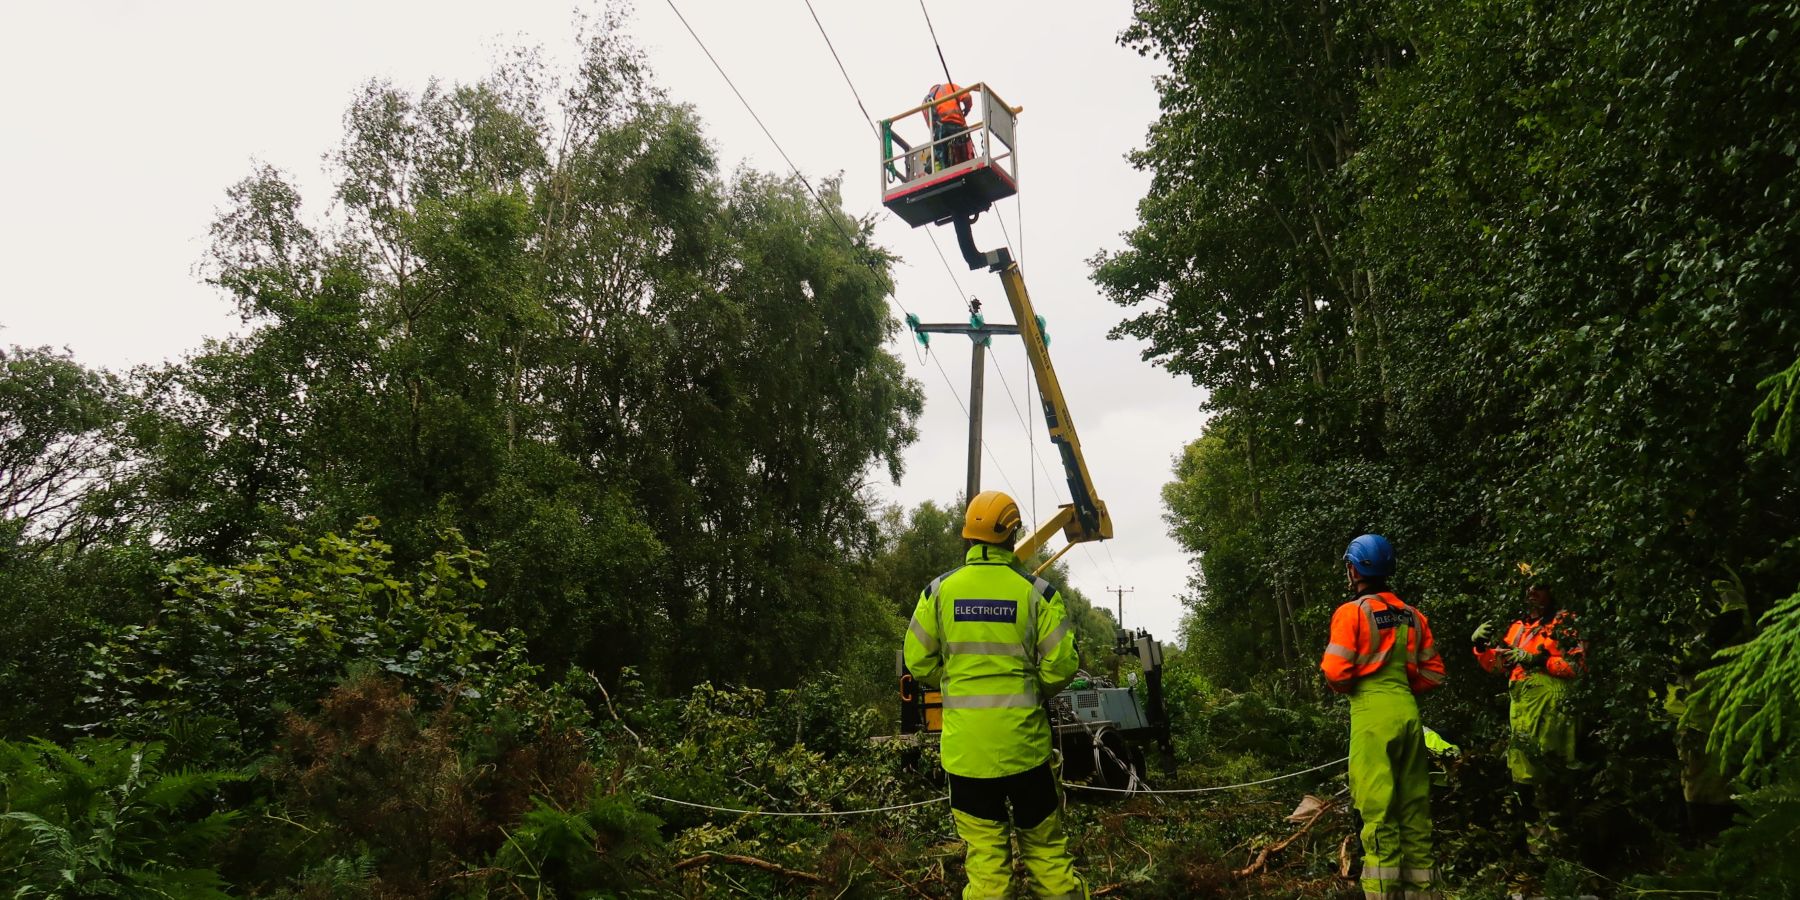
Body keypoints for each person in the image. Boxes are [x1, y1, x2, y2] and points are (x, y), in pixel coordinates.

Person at [903, 490, 1087, 900]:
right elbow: (1061, 665)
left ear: (968, 536)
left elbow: (917, 661)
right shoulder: (1038, 594)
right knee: (1047, 856)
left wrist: (953, 683)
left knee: (986, 864)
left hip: (967, 757)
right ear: (1013, 533)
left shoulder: (938, 592)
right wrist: (1030, 688)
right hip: (1026, 752)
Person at [1321, 534, 1446, 900]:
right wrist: (1400, 686)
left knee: (1377, 815)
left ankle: (1382, 894)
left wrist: (1365, 685)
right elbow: (1435, 672)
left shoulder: (1352, 613)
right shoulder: (1413, 615)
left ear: (1353, 570)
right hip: (1408, 714)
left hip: (1372, 718)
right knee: (1415, 813)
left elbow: (1335, 672)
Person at [1471, 581, 1585, 785]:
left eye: (1539, 587)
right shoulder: (1518, 627)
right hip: (1522, 705)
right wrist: (1480, 646)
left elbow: (1577, 666)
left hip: (1553, 704)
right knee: (1523, 764)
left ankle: (1553, 809)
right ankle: (1529, 812)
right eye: (1529, 587)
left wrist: (1540, 660)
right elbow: (1499, 666)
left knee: (1551, 763)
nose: (1532, 592)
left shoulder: (1564, 622)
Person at [923, 82, 973, 171]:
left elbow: (930, 125)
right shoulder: (949, 86)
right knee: (964, 153)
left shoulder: (925, 102)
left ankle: (942, 168)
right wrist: (967, 109)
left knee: (941, 156)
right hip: (957, 126)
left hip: (940, 131)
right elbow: (967, 97)